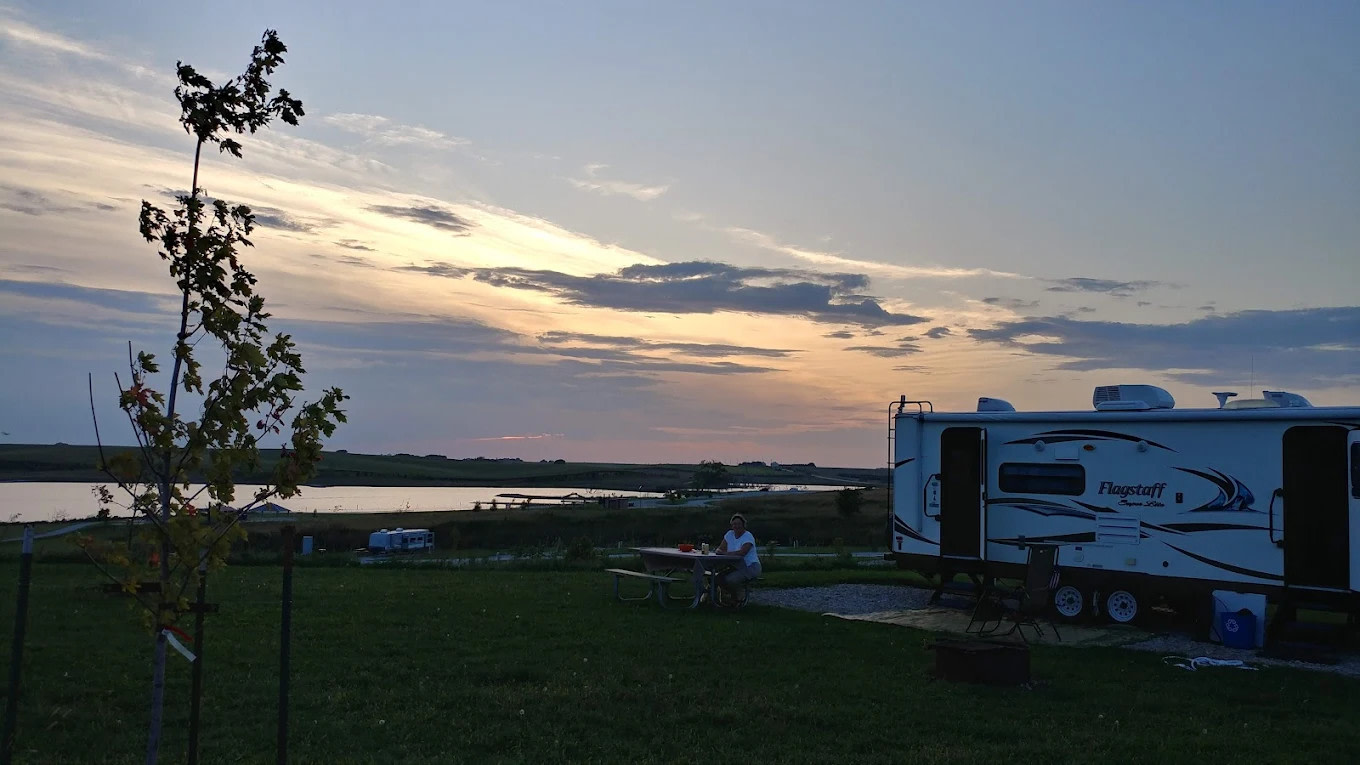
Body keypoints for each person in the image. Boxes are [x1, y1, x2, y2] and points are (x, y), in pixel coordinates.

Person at [713, 513, 761, 605]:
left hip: (750, 566)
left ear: (743, 525)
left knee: (730, 580)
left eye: (739, 524)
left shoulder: (748, 536)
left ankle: (737, 599)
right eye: (734, 524)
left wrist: (724, 554)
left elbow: (742, 553)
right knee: (717, 578)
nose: (736, 526)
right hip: (735, 566)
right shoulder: (729, 534)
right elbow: (720, 548)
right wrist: (719, 551)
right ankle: (720, 599)